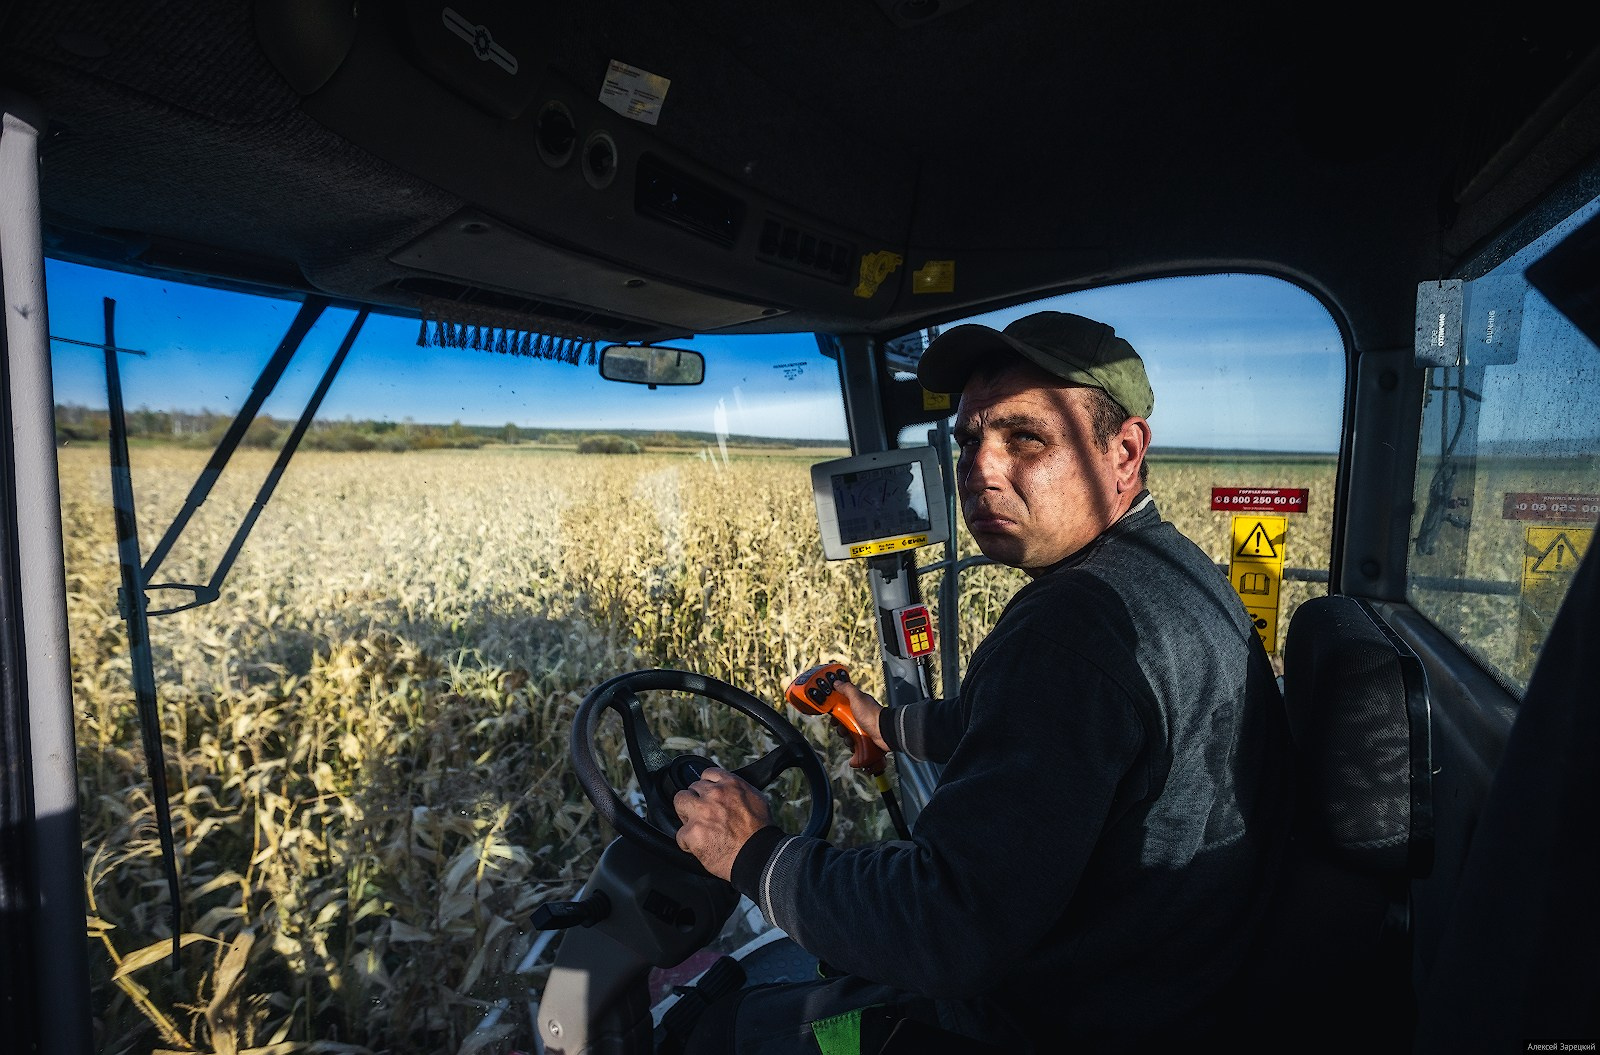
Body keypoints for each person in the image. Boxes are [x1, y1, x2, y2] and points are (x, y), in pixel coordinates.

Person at [673, 311, 1293, 1053]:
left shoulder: (1073, 627)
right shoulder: (1172, 571)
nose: (980, 468)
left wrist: (754, 853)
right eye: (969, 439)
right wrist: (887, 723)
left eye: (1024, 437)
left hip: (1045, 1021)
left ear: (1123, 452)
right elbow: (1024, 730)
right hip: (1171, 989)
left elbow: (945, 928)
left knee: (721, 1032)